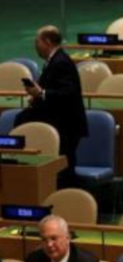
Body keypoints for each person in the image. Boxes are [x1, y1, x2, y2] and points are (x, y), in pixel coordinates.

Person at [17, 26, 88, 188]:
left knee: (65, 171)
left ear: (47, 42)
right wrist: (37, 96)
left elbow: (68, 93)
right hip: (59, 122)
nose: (35, 45)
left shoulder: (61, 62)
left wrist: (41, 93)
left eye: (37, 41)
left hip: (66, 125)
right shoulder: (54, 60)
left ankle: (72, 198)